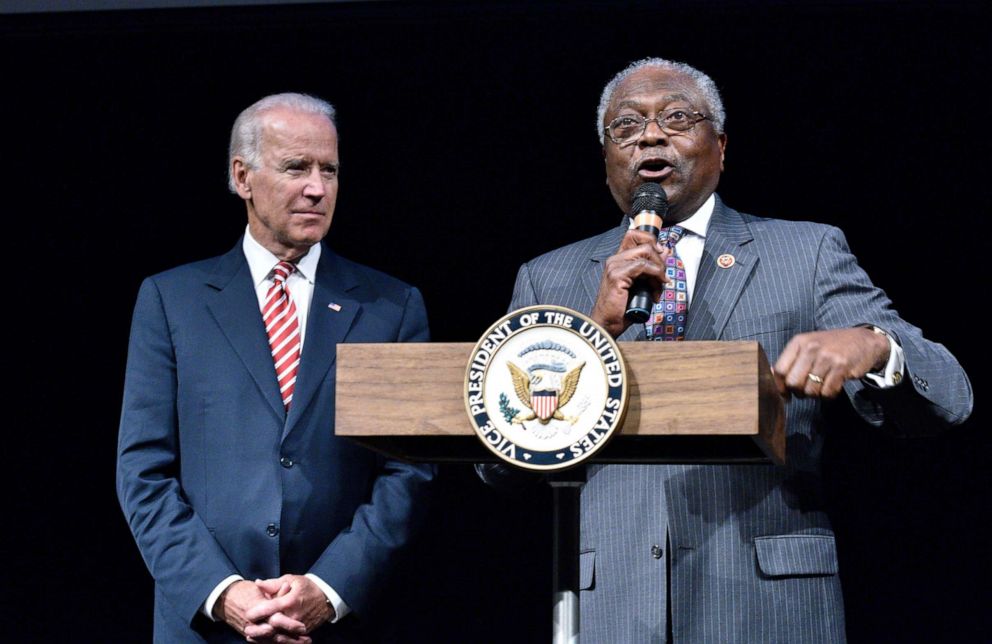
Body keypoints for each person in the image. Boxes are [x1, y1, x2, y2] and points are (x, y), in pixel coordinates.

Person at [482, 58, 972, 642]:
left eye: (677, 117)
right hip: (610, 606)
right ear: (607, 158)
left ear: (720, 146)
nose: (650, 135)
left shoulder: (807, 252)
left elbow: (948, 397)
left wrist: (873, 346)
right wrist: (593, 330)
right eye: (626, 126)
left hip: (765, 605)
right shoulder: (550, 279)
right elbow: (497, 465)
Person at [117, 93, 433, 643]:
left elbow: (409, 473)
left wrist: (328, 588)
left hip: (338, 625)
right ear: (243, 177)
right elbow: (143, 473)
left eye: (329, 170)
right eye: (296, 168)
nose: (317, 187)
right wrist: (222, 592)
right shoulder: (172, 301)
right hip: (206, 626)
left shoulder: (392, 305)